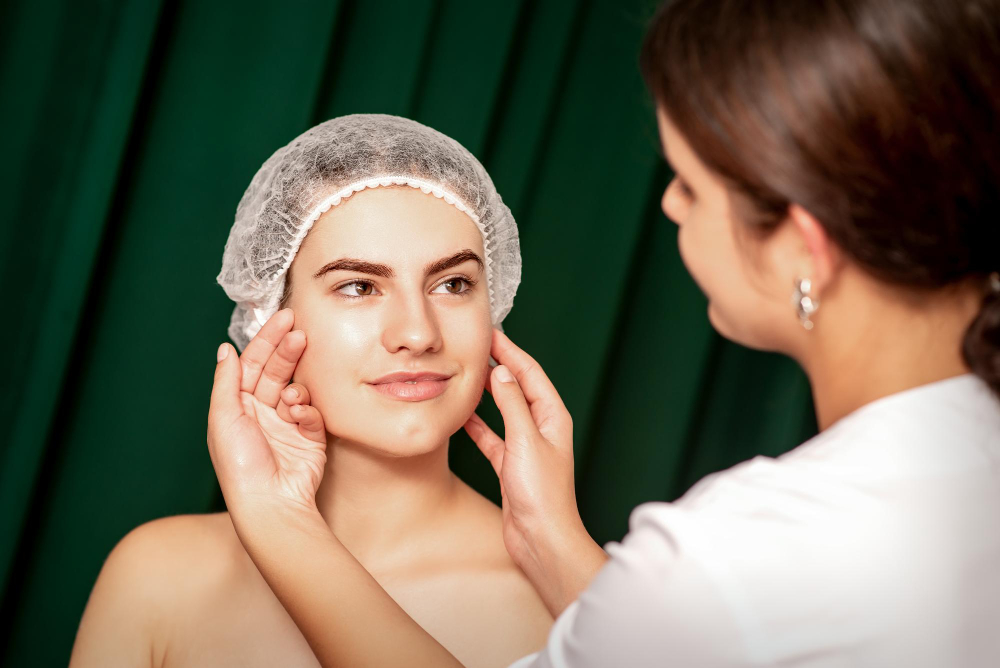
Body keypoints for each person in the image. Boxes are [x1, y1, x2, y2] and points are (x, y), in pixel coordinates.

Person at [206, 0, 1000, 665]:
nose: (670, 208)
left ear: (803, 244)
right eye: (358, 285)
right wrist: (552, 540)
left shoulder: (735, 561)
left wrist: (277, 519)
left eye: (689, 183)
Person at [69, 115, 553, 668]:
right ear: (268, 313)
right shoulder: (157, 579)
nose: (418, 334)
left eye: (453, 283)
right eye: (358, 286)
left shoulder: (569, 600)